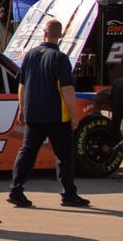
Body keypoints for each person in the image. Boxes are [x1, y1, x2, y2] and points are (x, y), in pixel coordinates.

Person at [9, 18, 89, 209]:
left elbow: (21, 85)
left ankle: (15, 190)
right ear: (60, 36)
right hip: (56, 116)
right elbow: (67, 89)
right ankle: (68, 194)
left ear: (43, 32)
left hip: (33, 114)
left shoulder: (30, 55)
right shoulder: (60, 58)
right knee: (64, 154)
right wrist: (74, 114)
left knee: (27, 152)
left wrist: (22, 108)